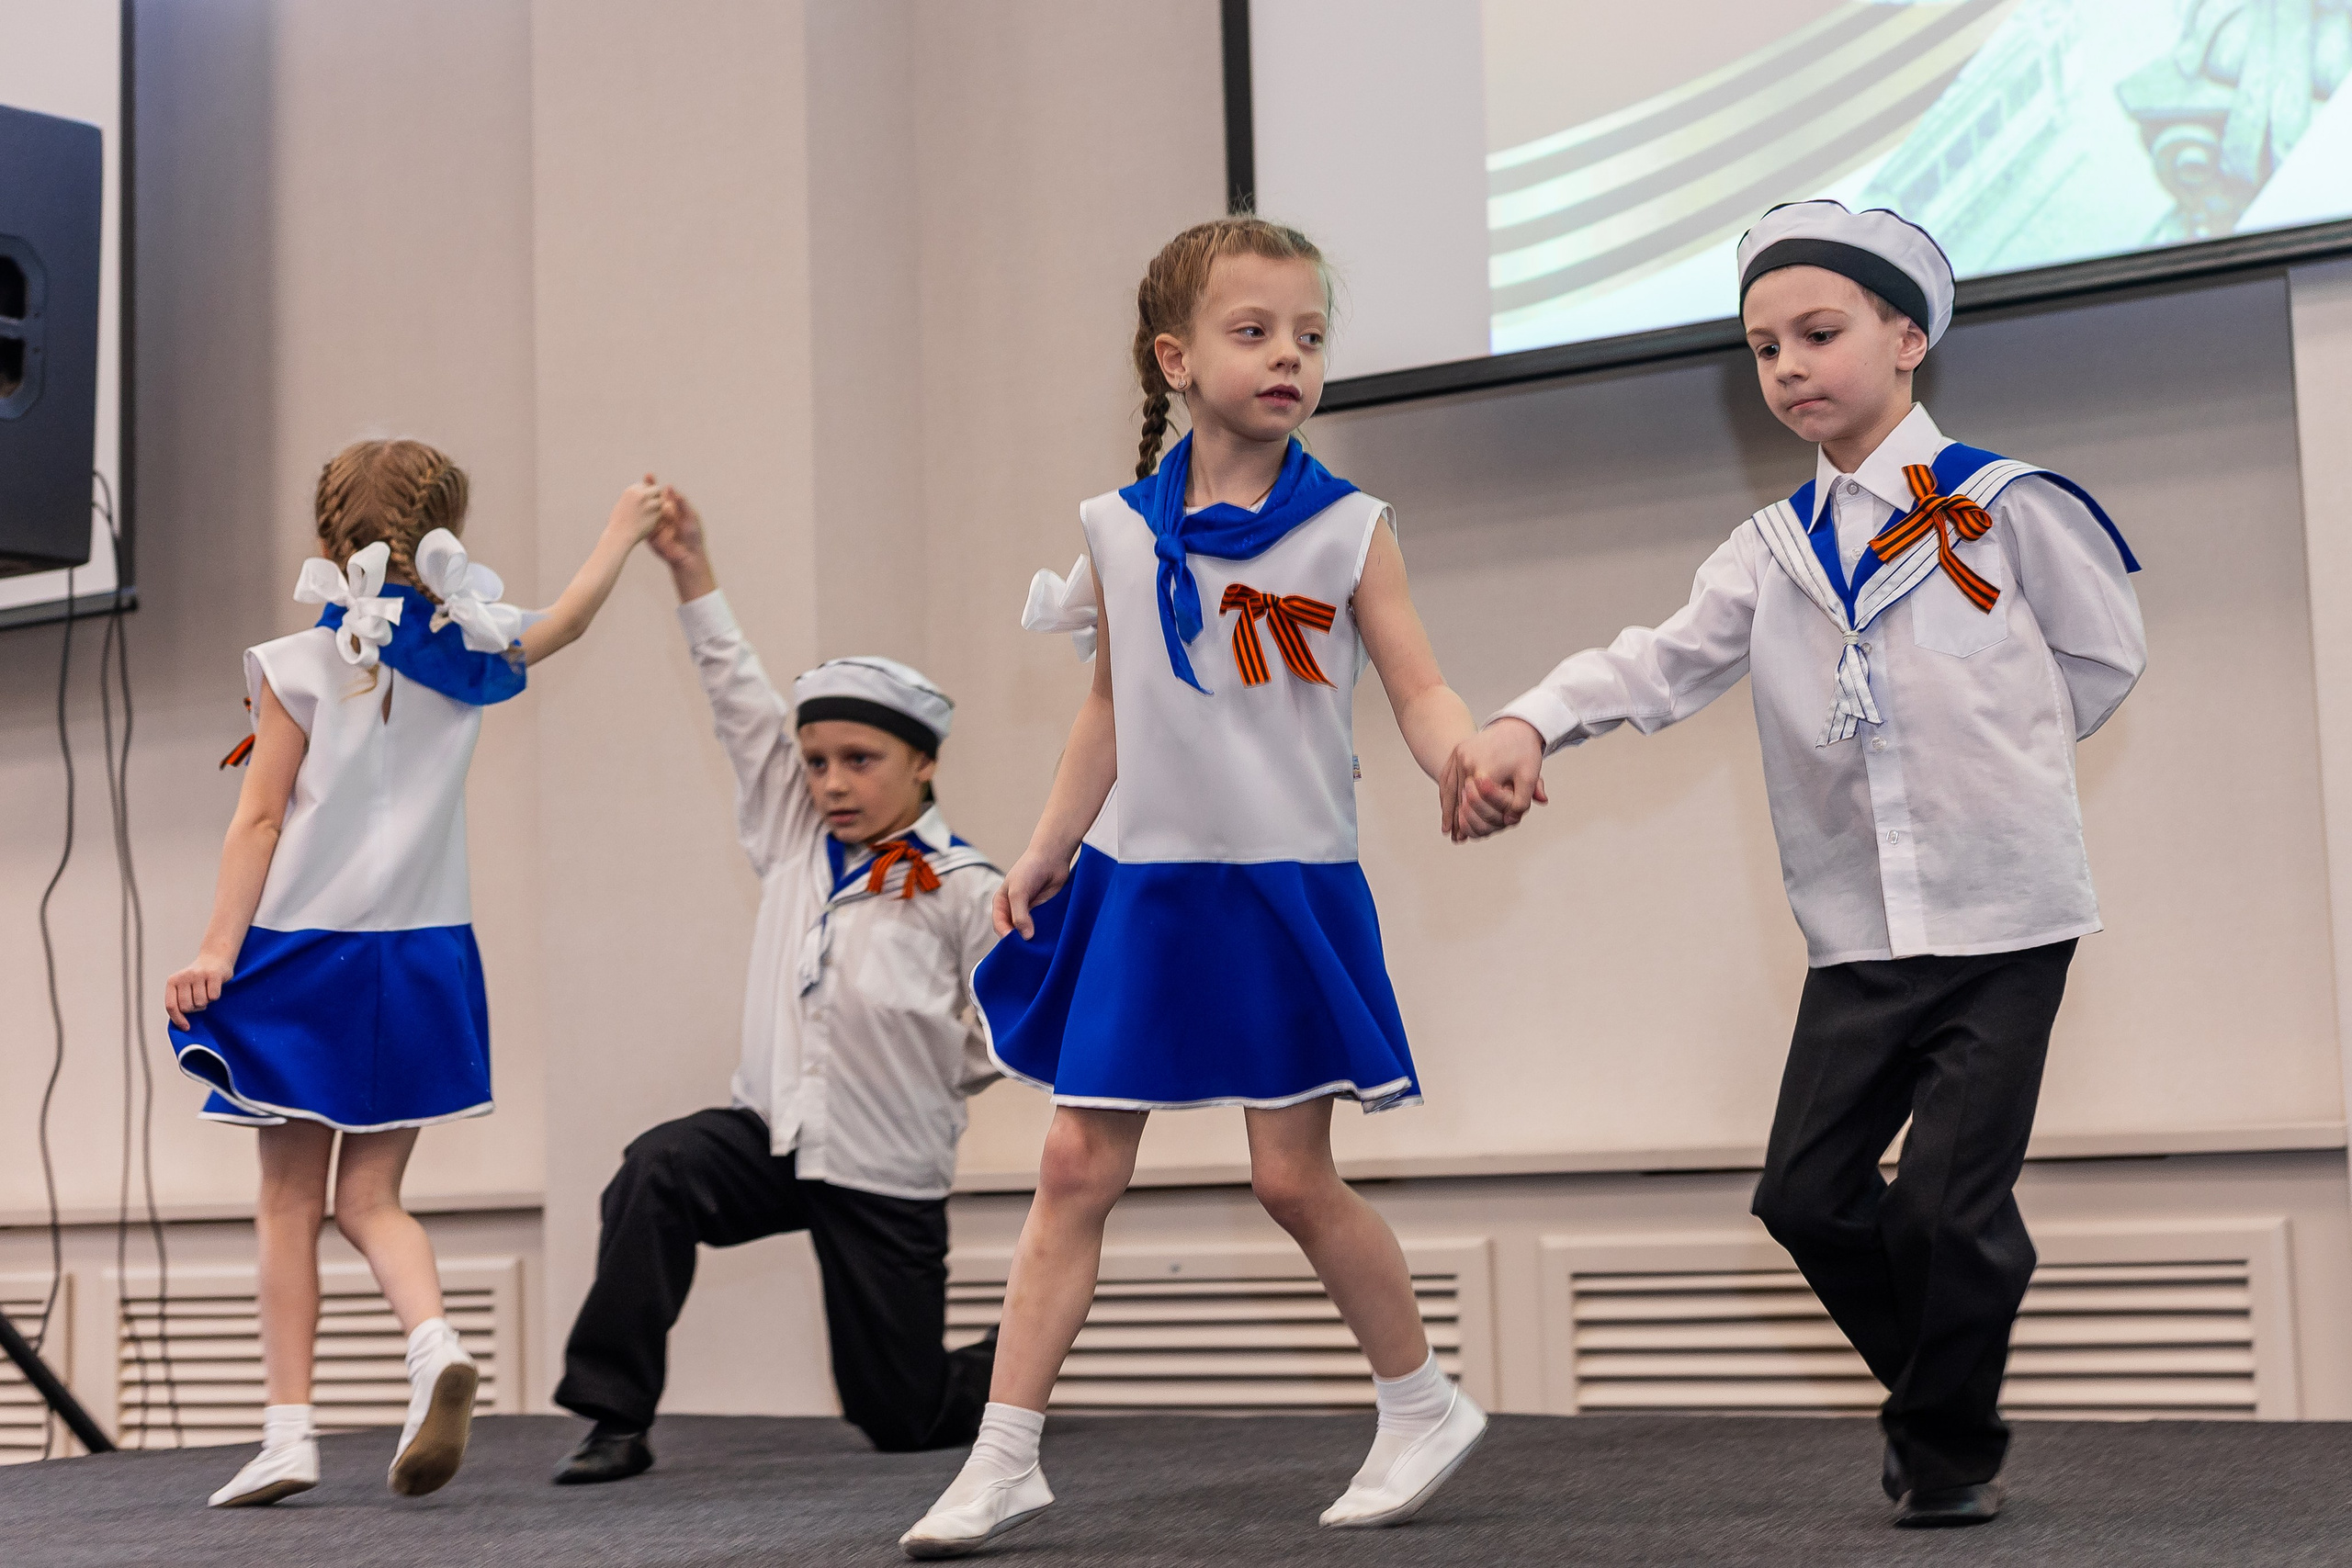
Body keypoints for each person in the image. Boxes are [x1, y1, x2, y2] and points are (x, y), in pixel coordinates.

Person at [1445, 201, 2146, 1528]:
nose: (1788, 367)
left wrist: (2002, 759)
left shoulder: (2006, 504)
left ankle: (1943, 1448)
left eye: (1818, 334)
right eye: (1764, 347)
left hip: (2005, 916)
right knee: (1806, 1196)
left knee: (1943, 1209)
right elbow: (1655, 662)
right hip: (1857, 931)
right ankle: (1945, 1395)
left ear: (1907, 338)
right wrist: (1529, 720)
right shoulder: (1771, 551)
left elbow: (2103, 654)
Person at [899, 216, 1490, 1560]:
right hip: (1145, 887)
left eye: (1310, 336)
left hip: (1284, 887)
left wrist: (1462, 755)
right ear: (1175, 360)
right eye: (1254, 331)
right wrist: (1045, 847)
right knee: (1071, 1163)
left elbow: (1418, 686)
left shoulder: (1348, 530)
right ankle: (1002, 1457)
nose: (1290, 357)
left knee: (1290, 1178)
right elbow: (1110, 708)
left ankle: (1422, 1403)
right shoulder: (1117, 532)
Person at [165, 439, 667, 1507]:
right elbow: (569, 618)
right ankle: (432, 1341)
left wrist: (215, 949)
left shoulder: (300, 662)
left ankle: (288, 1434)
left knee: (288, 1199)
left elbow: (260, 820)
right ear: (446, 532)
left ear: (325, 532)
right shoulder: (468, 646)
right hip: (427, 954)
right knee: (372, 1198)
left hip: (306, 952)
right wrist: (622, 528)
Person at [548, 490, 1004, 1484]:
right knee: (657, 1170)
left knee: (902, 1418)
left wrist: (928, 1076)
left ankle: (1008, 1363)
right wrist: (689, 569)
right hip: (773, 1135)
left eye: (860, 761)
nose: (832, 783)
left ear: (923, 763)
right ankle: (613, 1417)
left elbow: (1004, 1028)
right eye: (817, 763)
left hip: (885, 1162)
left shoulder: (971, 888)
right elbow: (739, 700)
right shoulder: (793, 838)